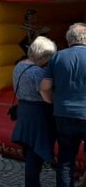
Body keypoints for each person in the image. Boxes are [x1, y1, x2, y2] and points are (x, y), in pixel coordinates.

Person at [41, 23, 86, 187]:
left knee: (66, 160)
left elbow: (44, 87)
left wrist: (52, 101)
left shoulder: (57, 57)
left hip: (63, 113)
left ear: (69, 40)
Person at [12, 36, 57, 187]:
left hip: (24, 111)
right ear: (43, 55)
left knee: (30, 151)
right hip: (37, 113)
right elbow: (46, 96)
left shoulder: (19, 66)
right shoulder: (37, 72)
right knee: (35, 155)